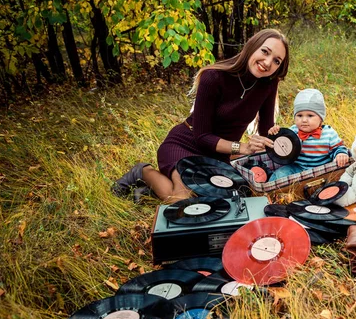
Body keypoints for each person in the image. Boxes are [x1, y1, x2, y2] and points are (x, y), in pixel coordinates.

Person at [112, 29, 290, 203]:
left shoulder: (268, 83)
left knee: (229, 197)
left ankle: (149, 191)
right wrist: (242, 148)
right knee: (181, 200)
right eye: (265, 52)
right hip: (186, 144)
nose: (267, 63)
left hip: (218, 155)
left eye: (276, 61)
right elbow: (202, 137)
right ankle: (142, 171)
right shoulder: (213, 77)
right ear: (252, 47)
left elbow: (267, 129)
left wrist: (283, 141)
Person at [268, 88, 349, 181]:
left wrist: (341, 154)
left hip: (322, 170)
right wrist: (274, 134)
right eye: (299, 115)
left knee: (335, 178)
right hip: (297, 168)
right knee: (280, 173)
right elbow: (281, 144)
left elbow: (338, 148)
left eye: (310, 115)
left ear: (321, 118)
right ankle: (268, 193)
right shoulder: (293, 131)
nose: (304, 120)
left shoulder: (329, 133)